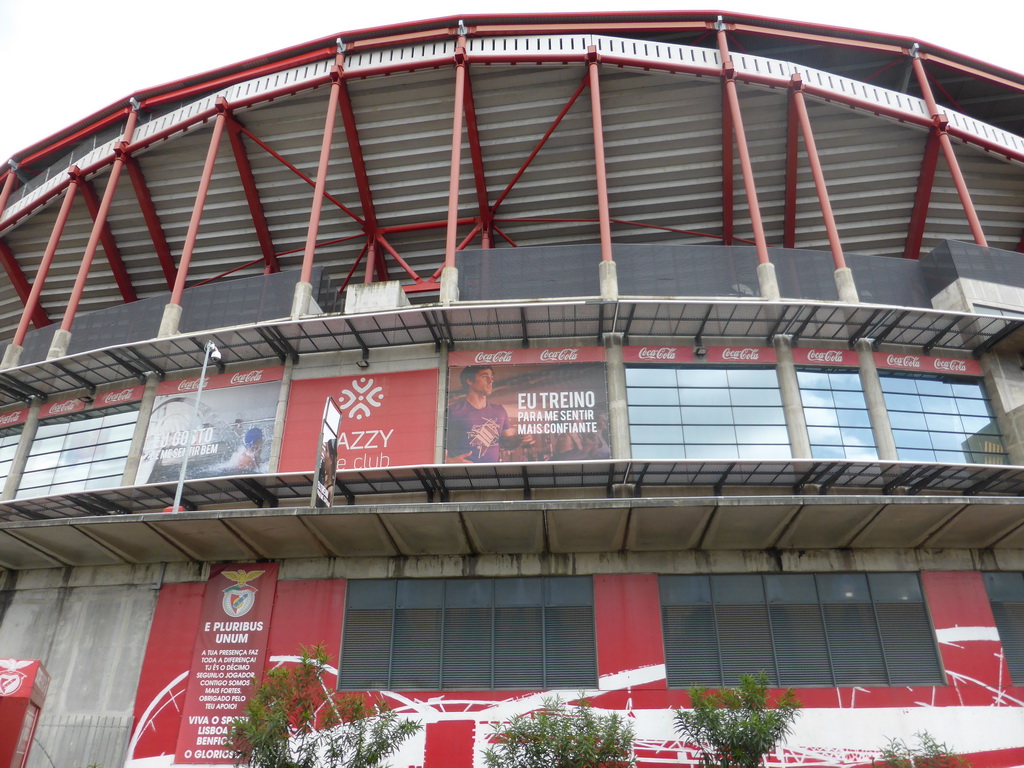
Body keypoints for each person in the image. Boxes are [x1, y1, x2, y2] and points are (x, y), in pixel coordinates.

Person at [446, 366, 531, 463]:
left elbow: (508, 443)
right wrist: (449, 462)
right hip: (462, 474)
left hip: (492, 473)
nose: (490, 381)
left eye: (491, 378)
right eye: (484, 377)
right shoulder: (453, 411)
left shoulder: (499, 410)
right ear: (469, 380)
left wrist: (521, 438)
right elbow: (435, 445)